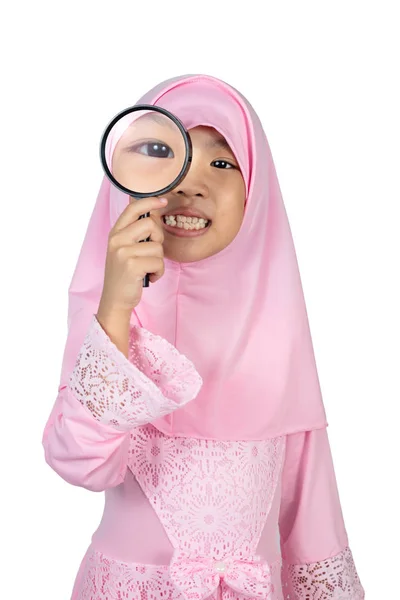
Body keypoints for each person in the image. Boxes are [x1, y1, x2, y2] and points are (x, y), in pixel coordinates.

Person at [42, 73, 365, 600]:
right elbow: (80, 463)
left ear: (256, 188)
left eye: (221, 162)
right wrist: (117, 306)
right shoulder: (111, 322)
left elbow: (310, 524)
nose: (190, 186)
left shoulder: (277, 325)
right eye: (162, 154)